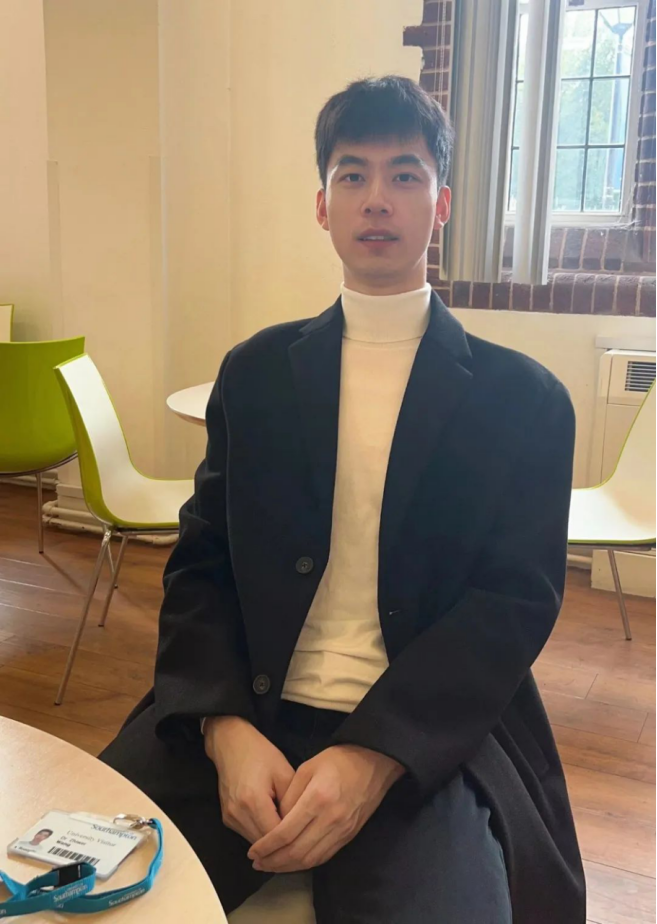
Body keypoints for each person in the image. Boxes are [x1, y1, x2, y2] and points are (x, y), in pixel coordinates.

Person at [100, 76, 586, 923]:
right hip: (249, 709)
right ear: (322, 206)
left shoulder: (524, 401)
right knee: (66, 889)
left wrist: (374, 755)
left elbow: (512, 604)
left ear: (440, 205)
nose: (376, 199)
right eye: (351, 174)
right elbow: (202, 563)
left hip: (422, 737)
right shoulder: (254, 374)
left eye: (404, 175)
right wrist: (222, 730)